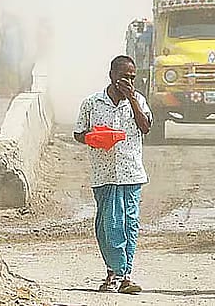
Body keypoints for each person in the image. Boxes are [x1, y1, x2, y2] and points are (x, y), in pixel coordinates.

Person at [74, 55, 152, 294]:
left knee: (129, 224)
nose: (128, 82)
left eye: (132, 78)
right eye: (123, 77)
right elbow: (78, 133)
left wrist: (132, 99)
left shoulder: (138, 100)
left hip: (131, 173)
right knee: (109, 225)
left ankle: (121, 274)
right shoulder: (92, 103)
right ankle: (116, 271)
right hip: (104, 174)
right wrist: (93, 137)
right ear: (111, 75)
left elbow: (146, 127)